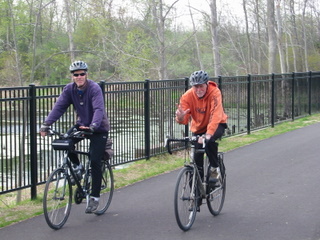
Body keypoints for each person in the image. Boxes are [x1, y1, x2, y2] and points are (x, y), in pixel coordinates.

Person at [40, 60, 110, 213]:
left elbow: (99, 108)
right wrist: (46, 124)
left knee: (94, 160)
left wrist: (93, 125)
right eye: (76, 74)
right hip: (82, 124)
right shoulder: (69, 90)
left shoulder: (94, 88)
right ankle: (78, 168)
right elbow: (59, 107)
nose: (79, 77)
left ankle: (94, 197)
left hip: (98, 128)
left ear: (86, 74)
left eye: (82, 74)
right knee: (66, 141)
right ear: (72, 76)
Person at [175, 70, 228, 183]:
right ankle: (197, 195)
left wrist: (208, 135)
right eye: (195, 87)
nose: (198, 90)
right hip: (199, 128)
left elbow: (216, 115)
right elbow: (183, 120)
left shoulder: (214, 92)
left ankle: (214, 168)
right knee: (196, 164)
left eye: (201, 86)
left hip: (217, 124)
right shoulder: (187, 96)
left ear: (207, 84)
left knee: (209, 141)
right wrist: (180, 117)